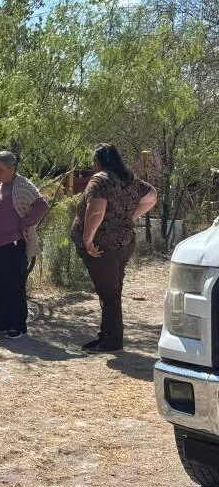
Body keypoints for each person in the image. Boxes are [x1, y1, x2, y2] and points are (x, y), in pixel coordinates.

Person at [71, 144, 158, 353]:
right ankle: (107, 335)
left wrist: (88, 240)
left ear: (99, 160)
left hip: (103, 247)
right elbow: (152, 195)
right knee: (111, 291)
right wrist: (130, 216)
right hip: (123, 243)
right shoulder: (129, 179)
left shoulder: (100, 180)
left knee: (109, 293)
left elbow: (96, 211)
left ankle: (112, 340)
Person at [0, 151, 49, 339]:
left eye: (1, 170)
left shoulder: (22, 185)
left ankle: (17, 324)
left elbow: (41, 205)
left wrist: (24, 223)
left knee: (13, 285)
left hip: (11, 244)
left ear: (12, 168)